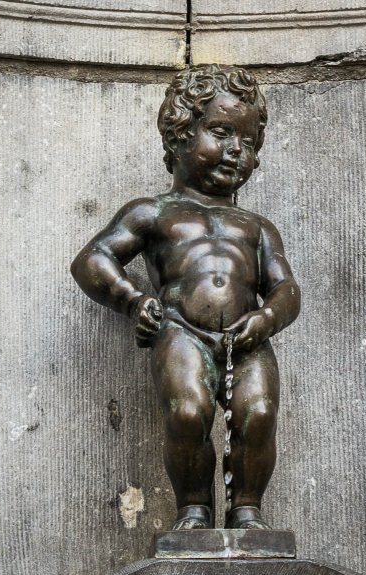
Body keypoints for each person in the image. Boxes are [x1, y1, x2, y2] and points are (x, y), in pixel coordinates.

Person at [71, 64, 300, 530]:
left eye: (249, 142)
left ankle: (247, 510)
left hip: (248, 338)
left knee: (258, 413)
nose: (236, 150)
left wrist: (267, 319)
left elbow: (286, 288)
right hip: (180, 331)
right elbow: (92, 260)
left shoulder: (256, 227)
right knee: (188, 412)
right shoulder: (153, 213)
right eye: (221, 132)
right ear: (179, 136)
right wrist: (134, 301)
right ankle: (193, 509)